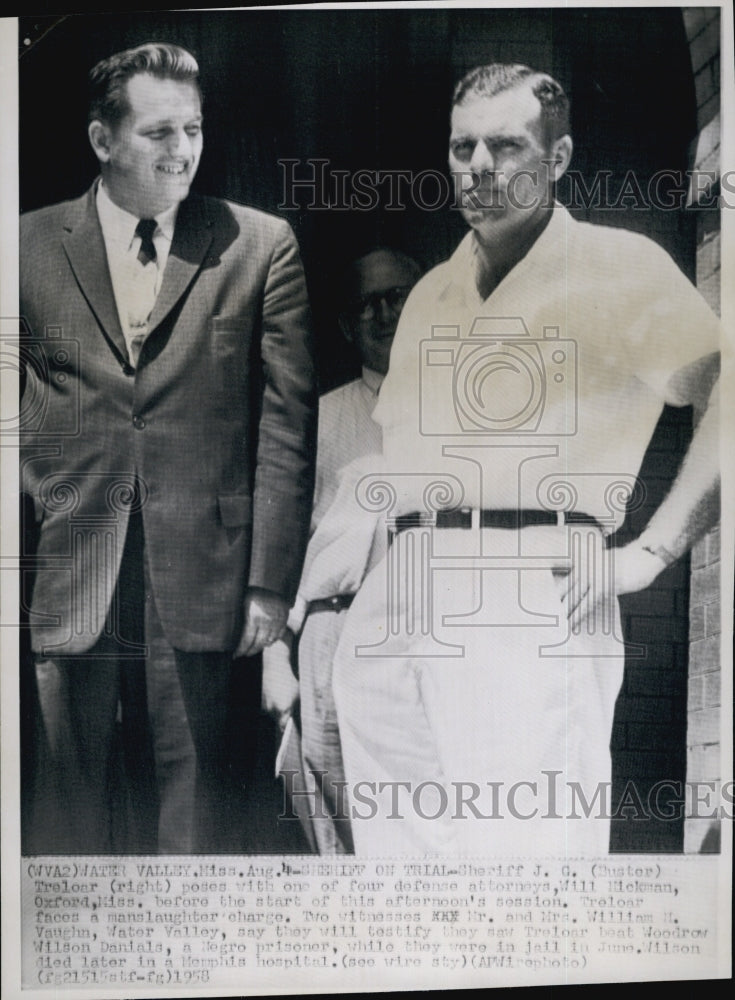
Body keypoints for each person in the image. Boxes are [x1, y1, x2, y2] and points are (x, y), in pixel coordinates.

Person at [331, 63, 721, 856]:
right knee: (402, 875)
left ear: (559, 156)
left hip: (531, 578)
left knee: (526, 864)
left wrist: (653, 549)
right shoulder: (432, 292)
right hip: (403, 588)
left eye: (505, 146)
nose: (478, 167)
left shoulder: (620, 265)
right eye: (462, 146)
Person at [20, 42, 317, 854]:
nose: (181, 149)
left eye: (192, 128)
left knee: (195, 809)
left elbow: (288, 428)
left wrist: (268, 584)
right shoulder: (23, 250)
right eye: (158, 132)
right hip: (69, 569)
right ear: (101, 140)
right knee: (65, 809)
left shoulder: (258, 245)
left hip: (208, 579)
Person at [262, 248, 421, 854]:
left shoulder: (461, 417)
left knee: (422, 808)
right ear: (347, 327)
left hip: (427, 631)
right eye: (366, 304)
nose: (382, 314)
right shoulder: (316, 420)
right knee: (336, 811)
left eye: (398, 297)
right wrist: (276, 658)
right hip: (333, 625)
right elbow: (278, 549)